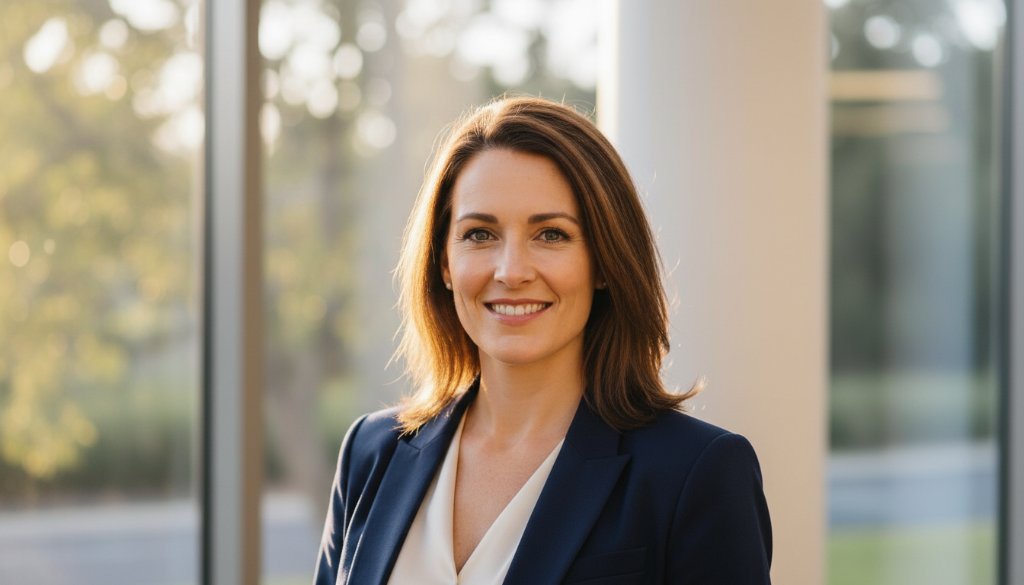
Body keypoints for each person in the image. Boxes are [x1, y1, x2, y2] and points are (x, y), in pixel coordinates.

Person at [313, 96, 772, 585]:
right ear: (444, 262)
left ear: (604, 262)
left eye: (551, 235)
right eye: (479, 234)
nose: (511, 272)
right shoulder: (372, 452)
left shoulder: (695, 474)